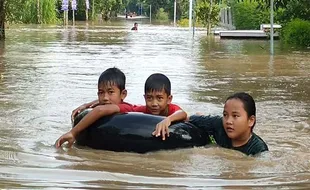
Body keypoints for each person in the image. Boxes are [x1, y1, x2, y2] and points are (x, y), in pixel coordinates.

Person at [55, 72, 187, 148]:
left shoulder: (172, 109)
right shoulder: (140, 110)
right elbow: (103, 108)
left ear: (169, 99)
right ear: (144, 98)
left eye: (159, 98)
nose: (154, 103)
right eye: (149, 98)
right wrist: (88, 105)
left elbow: (183, 114)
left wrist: (167, 120)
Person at [154, 92, 269, 156]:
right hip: (208, 127)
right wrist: (168, 120)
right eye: (225, 115)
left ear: (251, 121)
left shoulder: (258, 149)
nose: (228, 121)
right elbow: (186, 117)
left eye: (235, 116)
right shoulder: (218, 124)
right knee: (199, 118)